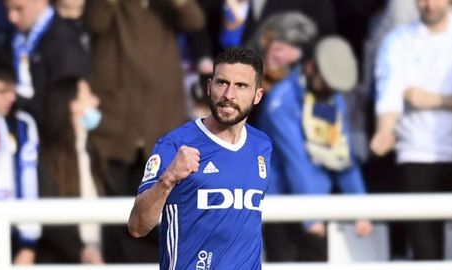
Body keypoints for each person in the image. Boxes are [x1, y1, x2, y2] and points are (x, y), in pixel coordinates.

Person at [82, 0, 204, 261]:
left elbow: (195, 21)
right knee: (118, 222)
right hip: (115, 133)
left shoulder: (165, 7)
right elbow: (94, 22)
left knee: (163, 218)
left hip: (161, 128)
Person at [128, 48, 271, 269]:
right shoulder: (175, 145)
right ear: (209, 86)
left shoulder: (261, 145)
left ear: (258, 95)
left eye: (241, 86)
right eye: (222, 83)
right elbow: (137, 226)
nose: (229, 95)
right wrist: (168, 179)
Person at [371, 0, 452, 260]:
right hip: (417, 156)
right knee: (426, 255)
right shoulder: (399, 39)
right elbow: (389, 95)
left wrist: (436, 100)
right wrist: (384, 132)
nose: (429, 5)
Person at [256, 36, 372, 261]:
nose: (331, 91)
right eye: (328, 84)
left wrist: (361, 209)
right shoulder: (281, 102)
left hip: (316, 206)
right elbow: (295, 161)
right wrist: (310, 216)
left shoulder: (330, 99)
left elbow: (342, 154)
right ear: (310, 67)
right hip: (281, 206)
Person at [36, 77, 106, 264]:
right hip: (67, 260)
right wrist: (80, 252)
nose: (96, 101)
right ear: (72, 105)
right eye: (88, 95)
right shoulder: (49, 160)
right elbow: (50, 217)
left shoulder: (95, 153)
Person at [3, 0, 90, 124]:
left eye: (19, 8)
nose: (11, 17)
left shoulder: (64, 41)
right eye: (7, 9)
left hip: (52, 136)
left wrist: (21, 102)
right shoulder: (15, 39)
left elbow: (63, 109)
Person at [0, 54, 40, 264]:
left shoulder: (22, 126)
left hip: (11, 232)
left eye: (12, 90)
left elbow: (28, 181)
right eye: (2, 91)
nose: (11, 98)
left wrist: (28, 243)